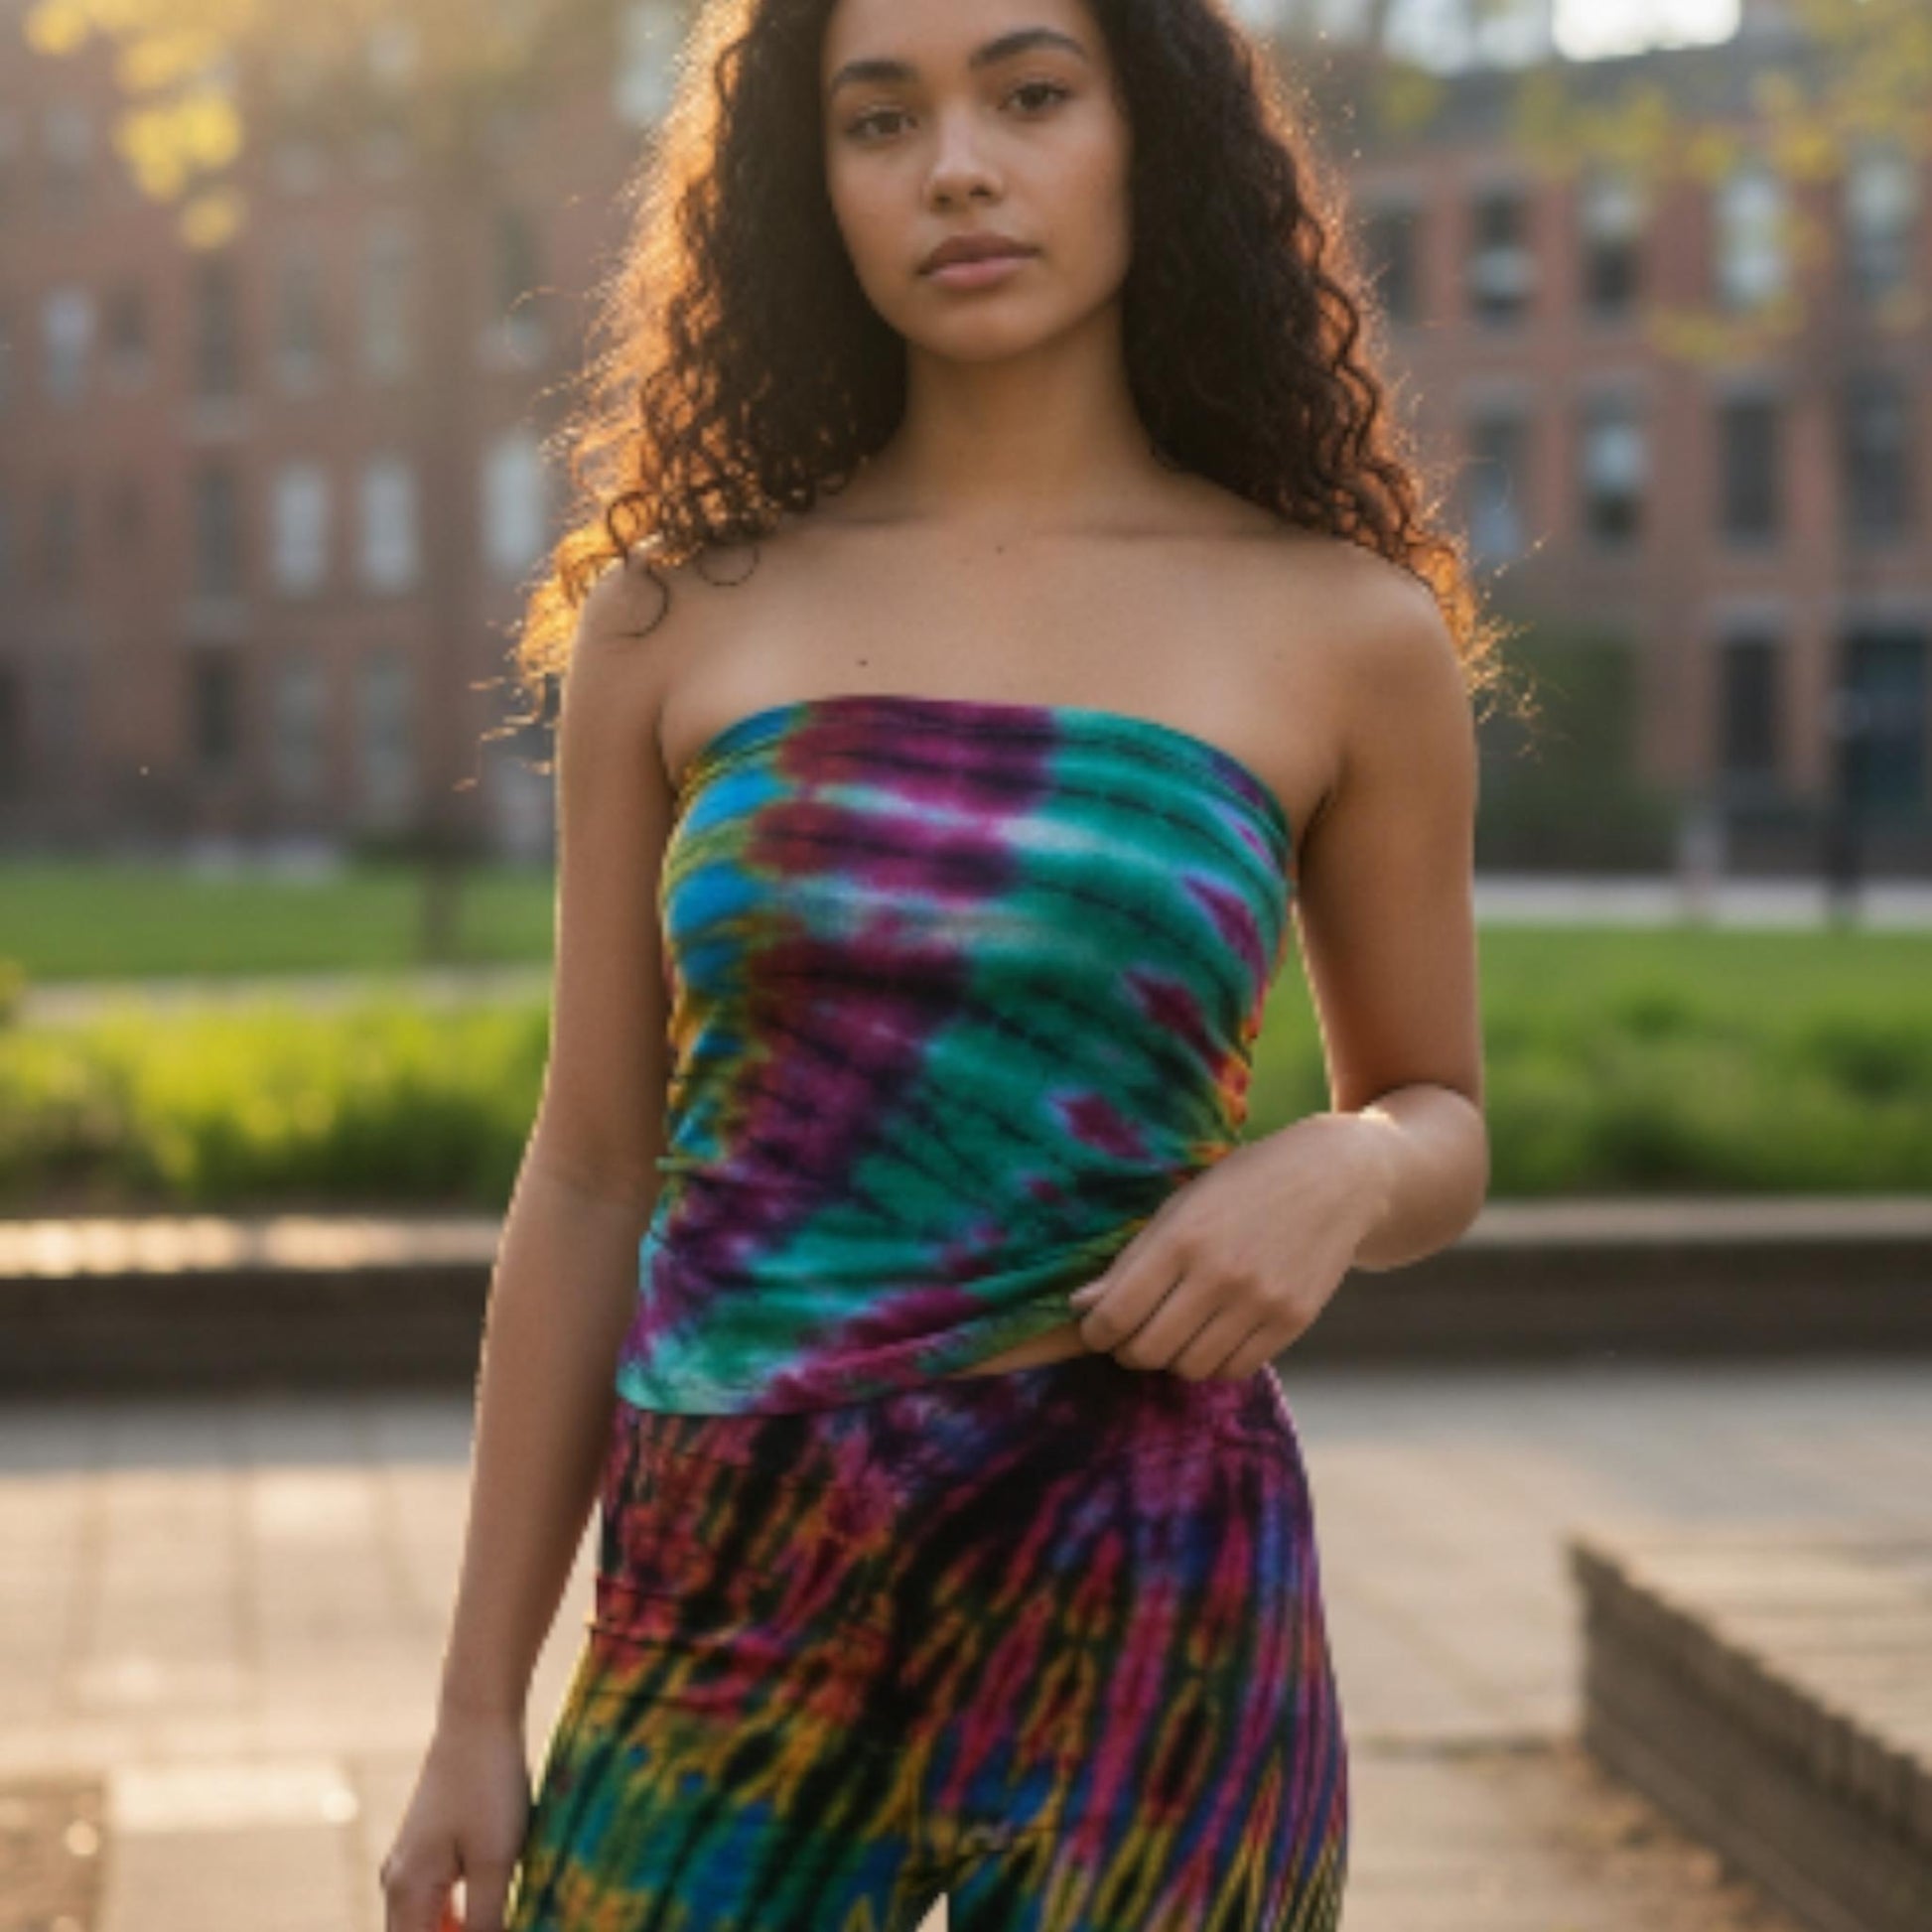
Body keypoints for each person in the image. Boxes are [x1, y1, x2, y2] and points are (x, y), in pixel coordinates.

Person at [380, 0, 1503, 1926]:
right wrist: (477, 1705)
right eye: (879, 118)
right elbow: (586, 1171)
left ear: (1148, 133)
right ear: (809, 185)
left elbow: (1441, 1112)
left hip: (1145, 1589)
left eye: (1031, 93)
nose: (957, 164)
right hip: (727, 1579)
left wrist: (1345, 1163)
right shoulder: (672, 614)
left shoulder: (1339, 627)